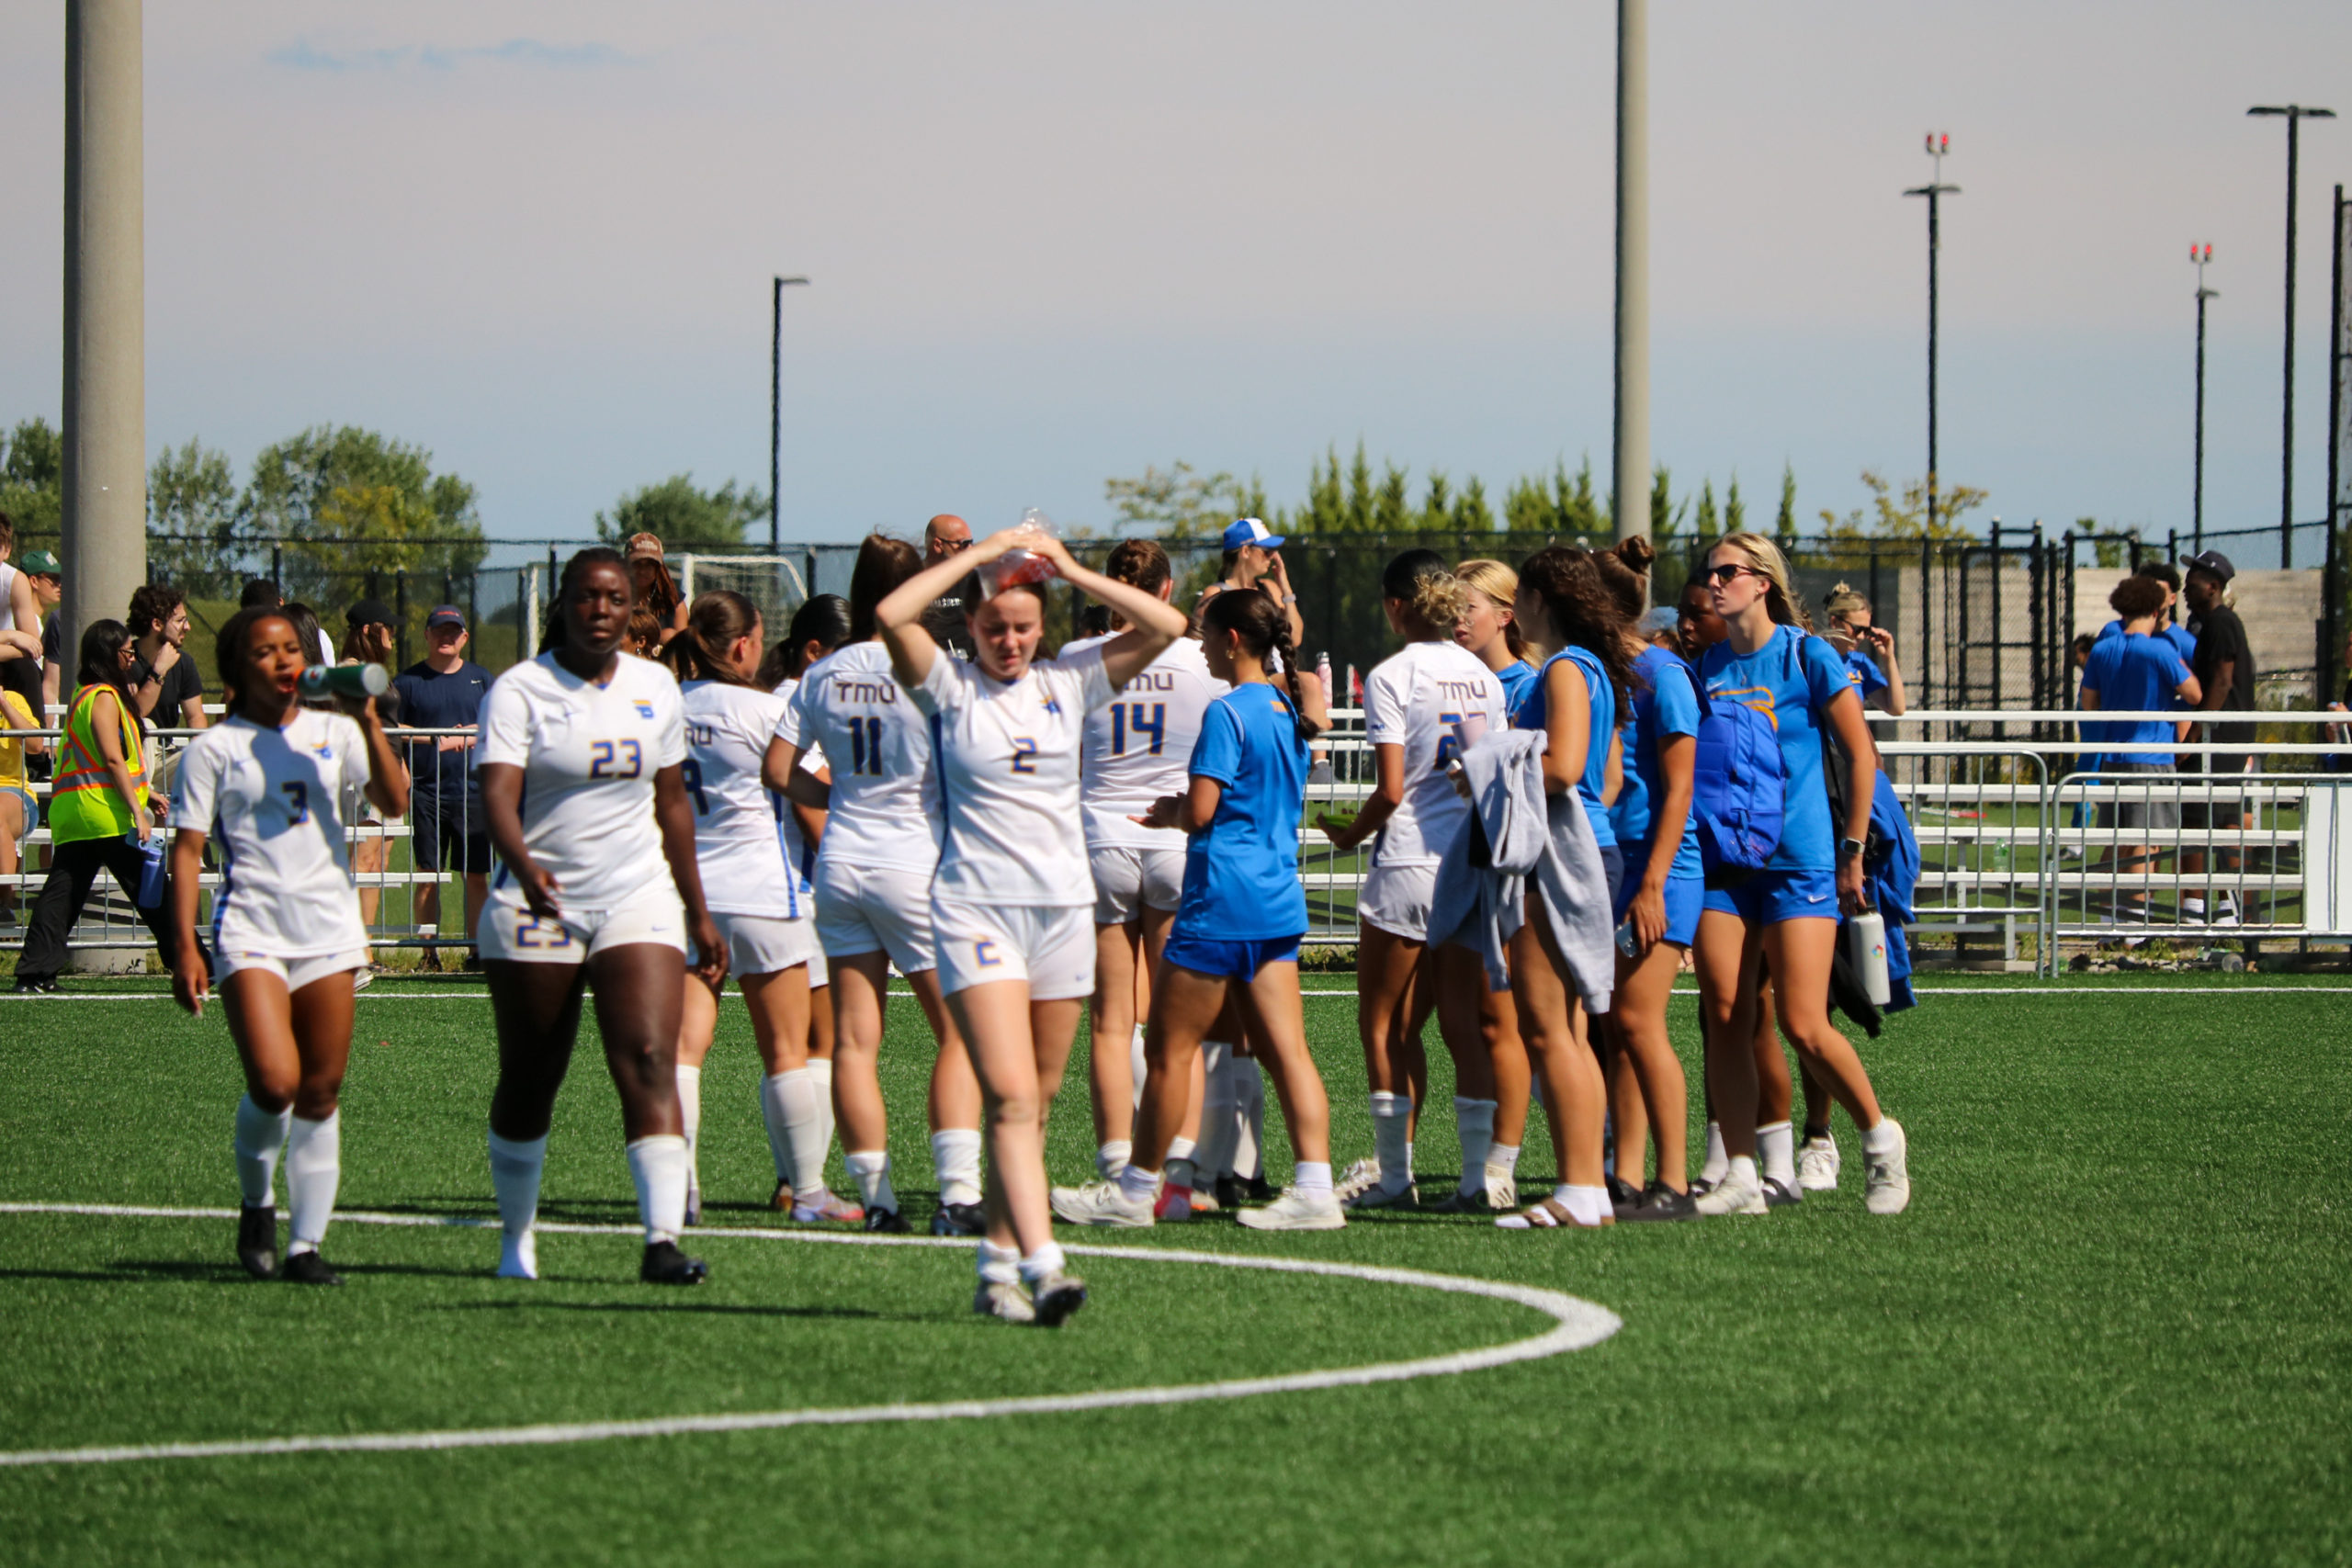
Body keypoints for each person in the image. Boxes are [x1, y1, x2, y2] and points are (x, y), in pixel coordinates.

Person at [877, 520, 1187, 1325]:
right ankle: (1047, 1266)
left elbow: (1168, 625)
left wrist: (1070, 569)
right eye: (992, 627)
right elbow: (889, 616)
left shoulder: (1071, 682)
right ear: (972, 626)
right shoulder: (947, 689)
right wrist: (982, 560)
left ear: (1043, 627)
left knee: (1036, 1104)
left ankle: (996, 1270)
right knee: (1011, 1097)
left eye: (1021, 626)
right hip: (975, 910)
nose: (1007, 642)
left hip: (1061, 913)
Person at [474, 547, 727, 1286]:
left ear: (630, 605)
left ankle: (661, 1240)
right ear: (565, 603)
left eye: (615, 598)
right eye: (588, 597)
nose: (602, 610)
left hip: (636, 892)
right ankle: (516, 1238)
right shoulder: (521, 689)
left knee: (650, 1055)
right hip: (538, 901)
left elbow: (673, 802)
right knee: (531, 1073)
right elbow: (496, 794)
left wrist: (698, 910)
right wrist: (524, 866)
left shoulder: (655, 684)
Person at [1054, 586, 1341, 1230]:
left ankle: (1135, 1190)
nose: (1202, 646)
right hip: (1275, 897)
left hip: (1221, 899)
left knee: (1168, 1050)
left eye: (1208, 635)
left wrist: (1171, 811)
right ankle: (1315, 1188)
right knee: (1289, 1051)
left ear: (1233, 640)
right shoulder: (1288, 706)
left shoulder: (1228, 710)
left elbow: (1205, 810)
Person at [166, 607, 409, 1284]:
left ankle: (305, 1245)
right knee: (275, 1082)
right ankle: (257, 1201)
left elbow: (394, 800)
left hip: (329, 931)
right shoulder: (214, 749)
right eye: (265, 651)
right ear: (240, 668)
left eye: (290, 648)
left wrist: (366, 718)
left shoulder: (335, 729)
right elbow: (188, 852)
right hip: (251, 930)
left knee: (321, 1090)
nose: (282, 660)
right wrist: (186, 945)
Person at [1691, 532, 1908, 1218]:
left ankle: (1879, 1138)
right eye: (1711, 572)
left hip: (1802, 860)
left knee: (1804, 1021)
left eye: (1729, 571)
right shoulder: (1710, 666)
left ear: (1763, 582)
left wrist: (1851, 850)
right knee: (1725, 1014)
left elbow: (1861, 752)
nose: (1716, 582)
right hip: (1728, 864)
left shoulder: (1806, 653)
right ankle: (1742, 1175)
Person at [775, 535, 987, 1236]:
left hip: (840, 863)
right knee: (961, 1031)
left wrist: (833, 801)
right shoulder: (931, 670)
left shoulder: (824, 671)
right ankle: (957, 1193)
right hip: (912, 864)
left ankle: (879, 1200)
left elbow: (778, 769)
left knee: (855, 1043)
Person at [1317, 550, 1508, 1212]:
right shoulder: (1486, 677)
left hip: (1408, 865)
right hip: (1467, 859)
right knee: (1463, 1025)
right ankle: (1477, 1179)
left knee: (1386, 1026)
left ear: (1395, 605)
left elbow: (1392, 788)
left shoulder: (1393, 673)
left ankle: (1395, 1178)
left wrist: (1346, 831)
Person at [665, 591, 847, 1227]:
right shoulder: (769, 709)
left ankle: (679, 1190)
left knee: (686, 1049)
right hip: (767, 893)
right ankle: (808, 1191)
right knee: (787, 1051)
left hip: (689, 896)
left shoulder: (664, 706)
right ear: (743, 645)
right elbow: (802, 789)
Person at [1058, 540, 1226, 1203]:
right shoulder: (1200, 656)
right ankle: (1175, 1175)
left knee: (1109, 1018)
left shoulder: (1078, 658)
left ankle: (1115, 1167)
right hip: (1174, 836)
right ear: (1167, 588)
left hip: (1099, 834)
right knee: (1174, 1022)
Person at [1485, 546, 1623, 1230]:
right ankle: (1587, 1186)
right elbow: (1608, 774)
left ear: (1542, 598)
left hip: (1561, 850)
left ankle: (1577, 1186)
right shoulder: (1587, 667)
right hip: (1586, 846)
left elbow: (1564, 767)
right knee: (1568, 1029)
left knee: (1548, 1029)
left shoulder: (1567, 667)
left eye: (1522, 595)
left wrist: (1486, 774)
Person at [1590, 538, 1700, 1220]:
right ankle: (1625, 1175)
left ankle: (1677, 1179)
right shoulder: (1596, 671)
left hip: (1662, 867)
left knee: (1639, 1020)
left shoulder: (1663, 674)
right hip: (1614, 863)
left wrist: (1654, 882)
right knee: (1615, 1027)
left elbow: (1680, 788)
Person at [15, 620, 209, 993]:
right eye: (126, 652)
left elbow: (100, 759)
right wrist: (139, 813)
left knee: (60, 897)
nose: (131, 658)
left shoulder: (83, 694)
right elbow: (112, 759)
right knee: (157, 898)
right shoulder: (103, 696)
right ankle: (197, 965)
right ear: (109, 655)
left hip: (77, 813)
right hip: (105, 815)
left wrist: (146, 795)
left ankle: (34, 973)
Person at [762, 595, 854, 1216]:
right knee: (814, 1040)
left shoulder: (767, 700)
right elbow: (808, 800)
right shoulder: (810, 700)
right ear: (816, 653)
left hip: (739, 884)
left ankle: (789, 1179)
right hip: (795, 887)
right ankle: (802, 1180)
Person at [2078, 574, 2200, 924]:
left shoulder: (2102, 649)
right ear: (2154, 608)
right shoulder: (2160, 649)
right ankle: (2133, 924)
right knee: (2146, 842)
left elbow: (2089, 702)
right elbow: (2194, 693)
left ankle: (2107, 919)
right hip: (2153, 758)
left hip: (2113, 758)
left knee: (2117, 841)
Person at [391, 606, 493, 970]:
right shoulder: (407, 682)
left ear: (465, 637)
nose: (446, 637)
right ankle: (428, 954)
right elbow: (389, 727)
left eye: (454, 631)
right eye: (440, 631)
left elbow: (500, 725)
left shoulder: (482, 680)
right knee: (428, 874)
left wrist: (469, 737)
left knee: (476, 875)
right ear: (428, 635)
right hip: (426, 792)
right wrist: (433, 739)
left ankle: (478, 951)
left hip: (473, 792)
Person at [2179, 551, 2255, 925]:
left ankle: (2203, 909)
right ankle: (2225, 909)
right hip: (2223, 735)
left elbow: (2222, 681)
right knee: (2217, 816)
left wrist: (2195, 734)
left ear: (2213, 587)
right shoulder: (2211, 624)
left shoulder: (2222, 622)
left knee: (2198, 815)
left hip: (2223, 735)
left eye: (2191, 584)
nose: (2184, 589)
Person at [1200, 518, 1305, 650]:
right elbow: (1201, 643)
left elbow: (1294, 638)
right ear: (1245, 551)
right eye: (1267, 551)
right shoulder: (1215, 594)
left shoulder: (1270, 589)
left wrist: (1286, 589)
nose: (1272, 556)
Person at [127, 584, 209, 730]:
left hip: (167, 751)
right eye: (179, 621)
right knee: (147, 725)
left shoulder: (184, 662)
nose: (187, 627)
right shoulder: (125, 660)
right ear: (157, 624)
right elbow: (136, 715)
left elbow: (195, 716)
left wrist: (197, 750)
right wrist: (159, 672)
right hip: (134, 750)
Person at [1820, 583, 1907, 716]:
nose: (1861, 636)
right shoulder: (1813, 657)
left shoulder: (1860, 664)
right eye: (1856, 629)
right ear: (1834, 622)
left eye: (1866, 630)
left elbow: (1897, 708)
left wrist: (1889, 658)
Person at [0, 673, 35, 922]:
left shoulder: (13, 700)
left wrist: (3, 704)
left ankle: (4, 903)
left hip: (15, 794)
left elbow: (36, 745)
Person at [918, 514, 977, 658]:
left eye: (971, 543)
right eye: (963, 544)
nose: (969, 549)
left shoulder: (973, 580)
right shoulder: (913, 581)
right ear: (938, 545)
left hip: (965, 667)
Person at [622, 534, 689, 643]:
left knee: (669, 635)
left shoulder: (674, 603)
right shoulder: (615, 600)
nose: (642, 571)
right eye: (637, 564)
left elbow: (684, 648)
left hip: (663, 659)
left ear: (659, 568)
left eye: (649, 565)